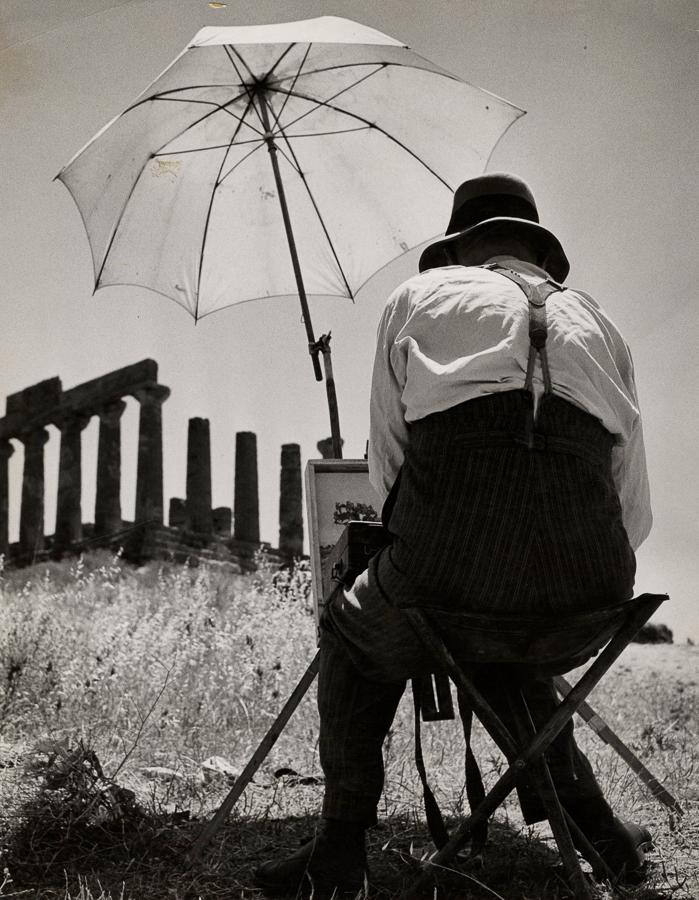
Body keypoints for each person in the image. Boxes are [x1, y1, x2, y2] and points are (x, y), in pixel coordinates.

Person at [255, 173, 653, 898]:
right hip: (588, 598)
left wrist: (461, 538)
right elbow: (633, 508)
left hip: (446, 579)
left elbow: (388, 470)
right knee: (506, 645)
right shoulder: (601, 324)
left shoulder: (417, 299)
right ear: (536, 250)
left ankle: (338, 852)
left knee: (352, 629)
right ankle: (598, 830)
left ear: (459, 248)